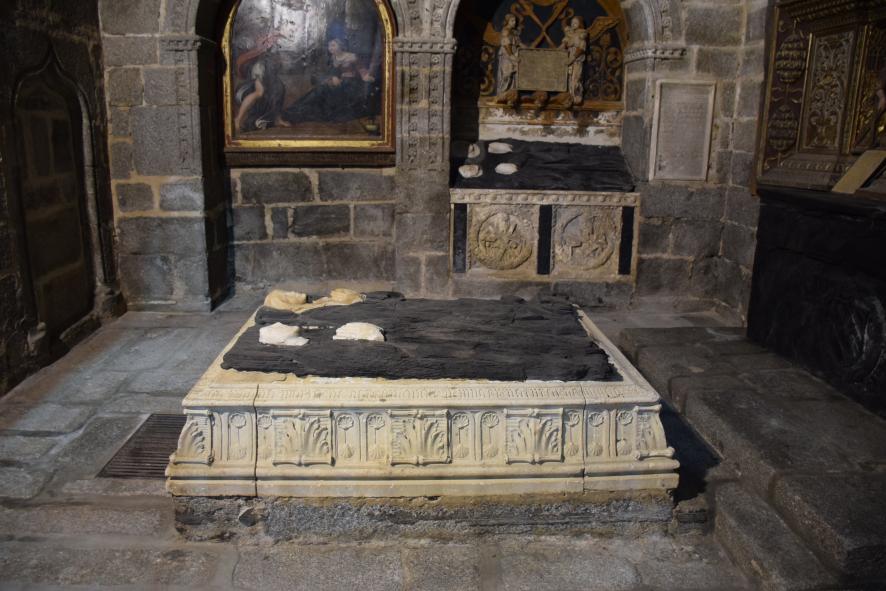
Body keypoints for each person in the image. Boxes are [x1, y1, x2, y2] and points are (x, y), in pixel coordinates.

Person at [282, 38, 378, 126]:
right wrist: (333, 77)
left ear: (341, 46)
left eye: (333, 45)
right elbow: (332, 73)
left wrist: (367, 76)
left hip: (350, 88)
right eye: (329, 46)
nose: (330, 48)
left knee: (320, 92)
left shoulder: (352, 56)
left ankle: (291, 113)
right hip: (338, 86)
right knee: (318, 91)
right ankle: (291, 112)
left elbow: (362, 70)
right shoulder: (333, 58)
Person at [233, 31, 289, 132]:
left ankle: (277, 118)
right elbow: (257, 51)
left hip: (269, 70)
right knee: (259, 92)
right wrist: (265, 44)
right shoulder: (264, 40)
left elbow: (277, 57)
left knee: (279, 90)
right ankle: (238, 119)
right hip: (260, 68)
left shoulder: (276, 43)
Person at [561, 16, 588, 105]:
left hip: (576, 60)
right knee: (568, 78)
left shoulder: (581, 35)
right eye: (572, 22)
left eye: (575, 23)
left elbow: (580, 49)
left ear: (580, 24)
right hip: (569, 58)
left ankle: (576, 97)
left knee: (575, 78)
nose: (573, 24)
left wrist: (571, 59)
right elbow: (565, 29)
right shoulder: (570, 34)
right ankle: (569, 96)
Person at [496, 14, 522, 102]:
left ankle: (510, 94)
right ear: (507, 21)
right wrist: (511, 55)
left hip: (514, 54)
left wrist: (528, 49)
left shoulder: (513, 32)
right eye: (512, 21)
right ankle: (502, 94)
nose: (514, 23)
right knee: (506, 74)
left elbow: (518, 43)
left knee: (513, 74)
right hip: (507, 55)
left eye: (515, 21)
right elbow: (506, 44)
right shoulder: (506, 31)